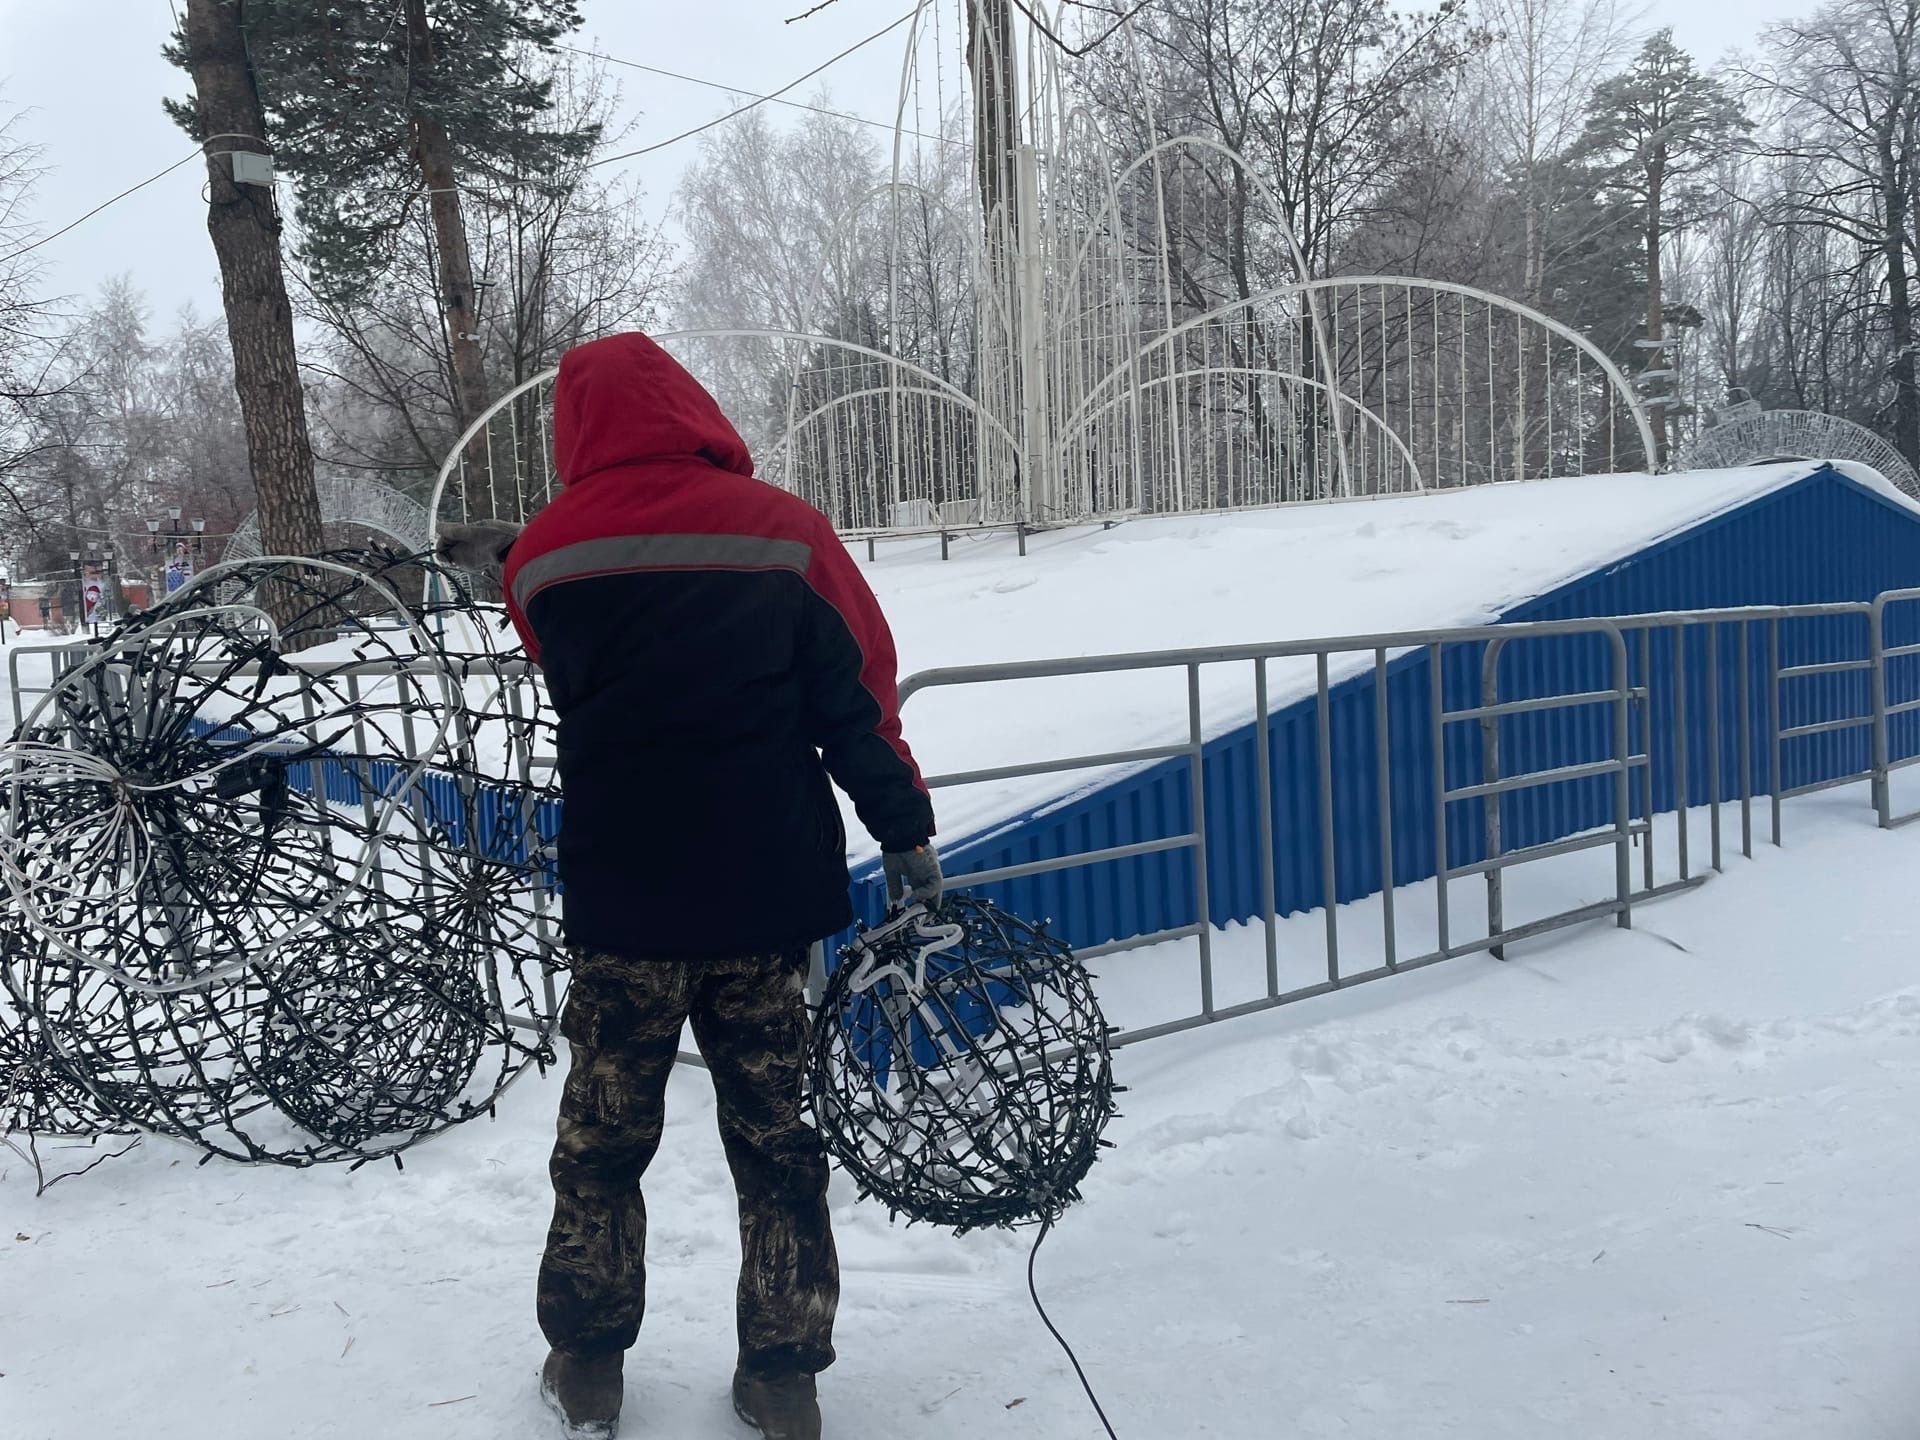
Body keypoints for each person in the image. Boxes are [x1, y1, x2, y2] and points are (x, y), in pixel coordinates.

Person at [438, 331, 941, 1440]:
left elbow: (555, 647)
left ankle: (586, 1366)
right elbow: (855, 696)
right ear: (690, 405)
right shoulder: (790, 535)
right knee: (775, 1141)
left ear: (575, 426)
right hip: (765, 899)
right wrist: (904, 831)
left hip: (626, 900)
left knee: (603, 1143)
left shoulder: (543, 559)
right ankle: (783, 1375)